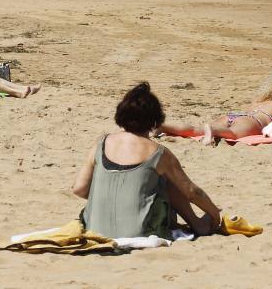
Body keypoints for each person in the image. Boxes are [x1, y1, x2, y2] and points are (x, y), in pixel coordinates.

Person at [72, 82, 222, 238]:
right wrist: (214, 214)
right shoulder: (158, 153)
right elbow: (192, 192)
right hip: (139, 231)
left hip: (93, 227)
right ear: (155, 121)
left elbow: (79, 188)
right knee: (166, 180)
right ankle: (198, 224)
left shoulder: (101, 143)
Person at [159, 72, 272, 145]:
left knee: (195, 130)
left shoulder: (259, 101)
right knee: (232, 134)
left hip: (236, 116)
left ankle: (162, 126)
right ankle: (211, 129)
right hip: (252, 122)